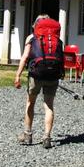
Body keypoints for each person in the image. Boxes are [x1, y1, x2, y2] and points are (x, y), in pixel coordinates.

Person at [14, 14, 60, 149]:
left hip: (36, 75)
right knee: (49, 106)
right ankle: (47, 137)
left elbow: (25, 57)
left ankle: (27, 135)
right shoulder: (57, 39)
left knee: (30, 103)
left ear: (36, 25)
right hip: (53, 75)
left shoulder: (32, 37)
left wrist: (18, 75)